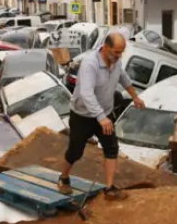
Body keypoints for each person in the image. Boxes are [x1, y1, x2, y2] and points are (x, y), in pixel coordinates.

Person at [57, 32, 145, 200]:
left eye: (121, 52)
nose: (119, 56)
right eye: (116, 52)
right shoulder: (90, 64)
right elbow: (86, 93)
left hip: (104, 114)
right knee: (75, 152)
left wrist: (135, 97)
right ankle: (64, 177)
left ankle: (110, 188)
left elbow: (123, 78)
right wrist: (100, 117)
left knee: (111, 147)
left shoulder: (116, 62)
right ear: (106, 47)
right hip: (82, 115)